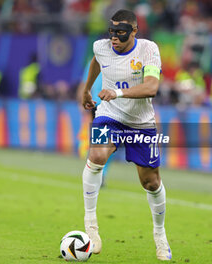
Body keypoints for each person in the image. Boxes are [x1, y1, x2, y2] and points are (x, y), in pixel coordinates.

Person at [81, 9, 172, 261]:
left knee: (151, 183)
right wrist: (87, 89)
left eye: (120, 33)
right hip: (109, 116)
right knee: (98, 154)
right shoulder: (101, 46)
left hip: (140, 122)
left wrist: (117, 93)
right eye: (112, 32)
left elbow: (152, 87)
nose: (114, 38)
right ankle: (91, 226)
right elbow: (97, 60)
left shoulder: (148, 50)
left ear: (134, 31)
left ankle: (160, 235)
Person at [77, 60, 112, 186]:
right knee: (103, 141)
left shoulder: (117, 61)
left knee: (106, 141)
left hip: (111, 105)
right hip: (98, 105)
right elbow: (84, 83)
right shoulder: (96, 61)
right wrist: (82, 100)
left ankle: (97, 171)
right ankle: (98, 172)